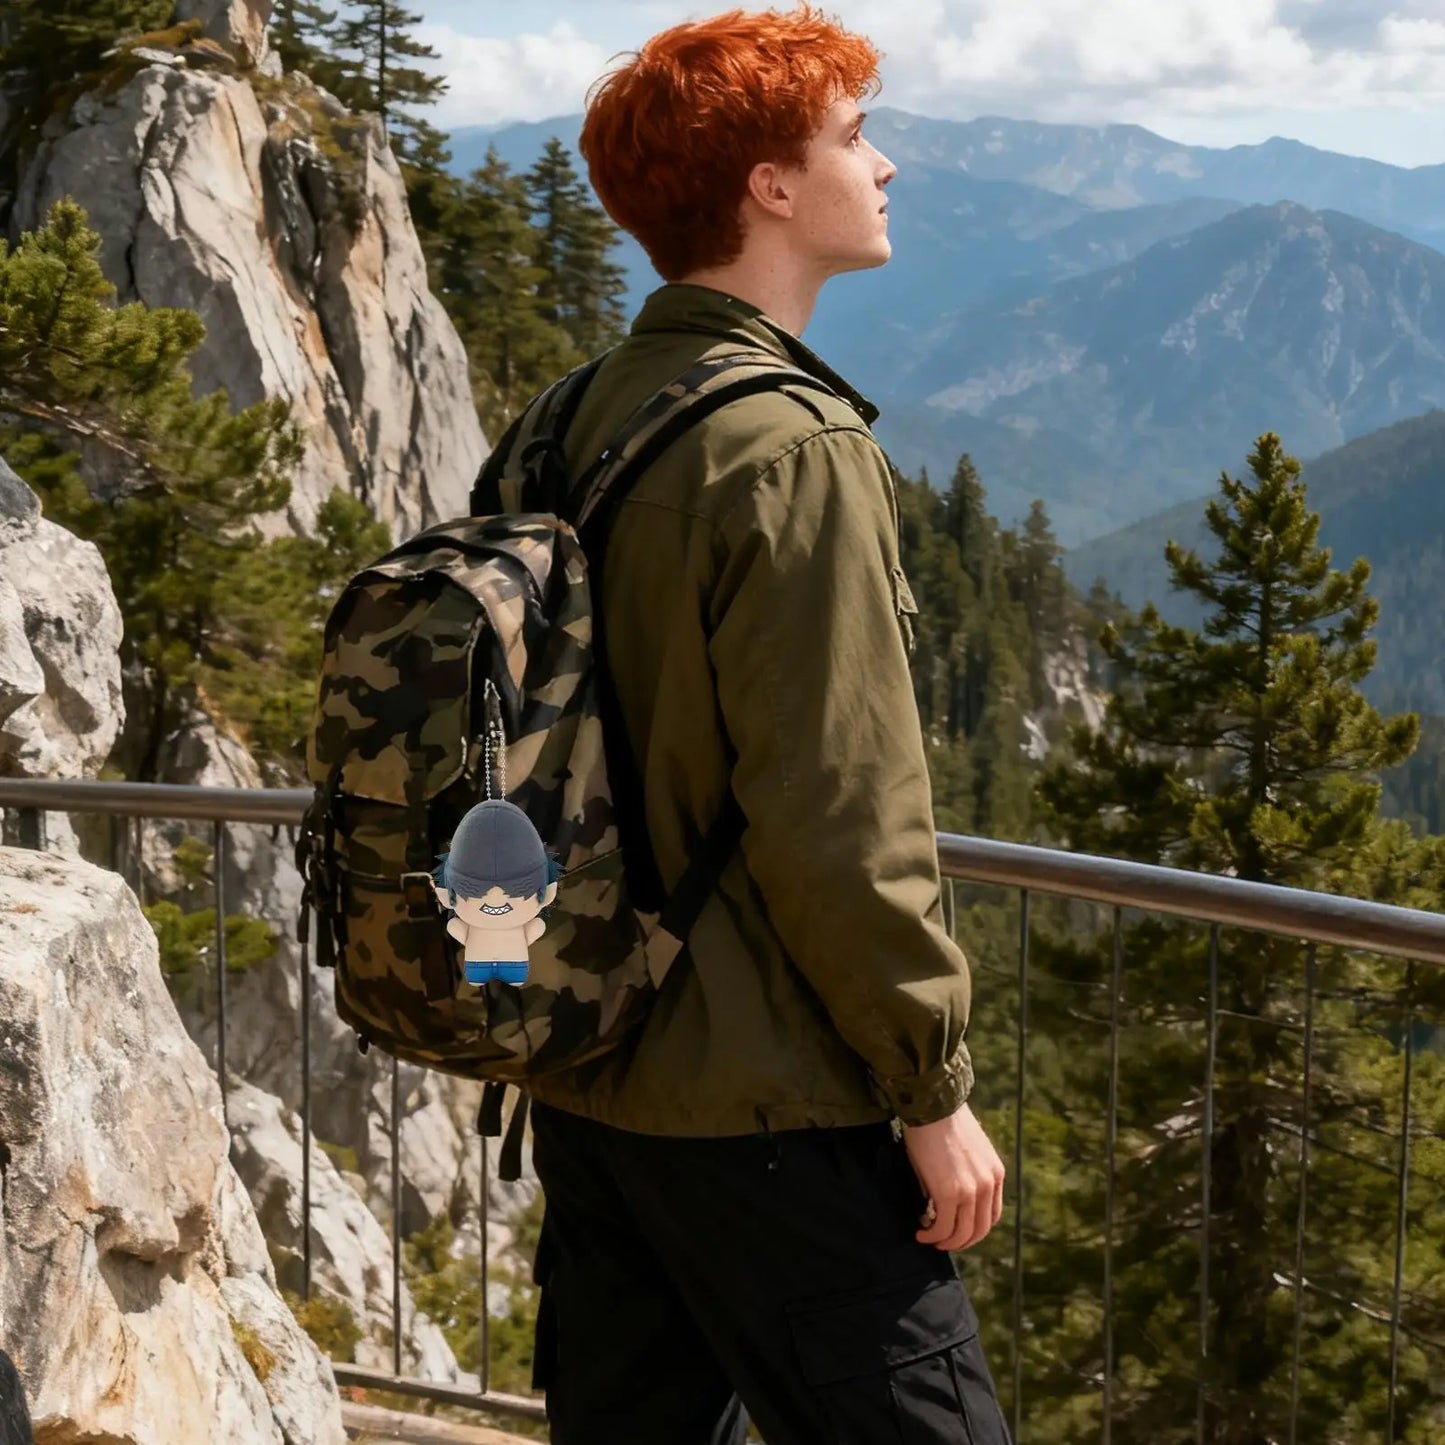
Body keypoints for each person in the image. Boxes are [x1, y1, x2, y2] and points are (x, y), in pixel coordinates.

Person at [511, 5, 1011, 1441]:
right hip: (775, 1110)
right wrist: (928, 1090)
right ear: (769, 190)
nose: (889, 165)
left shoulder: (569, 414)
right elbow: (839, 811)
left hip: (594, 1075)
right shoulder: (791, 446)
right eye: (853, 137)